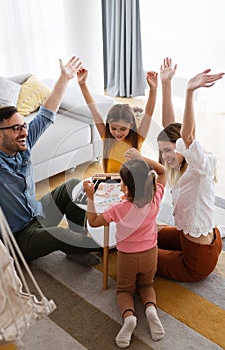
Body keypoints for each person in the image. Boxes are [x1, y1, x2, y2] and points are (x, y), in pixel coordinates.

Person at [0, 56, 101, 267]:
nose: (23, 132)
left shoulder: (23, 141)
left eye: (24, 125)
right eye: (16, 128)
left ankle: (76, 246)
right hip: (16, 241)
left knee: (73, 185)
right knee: (58, 234)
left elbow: (46, 114)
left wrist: (65, 77)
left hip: (36, 214)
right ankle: (105, 243)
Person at [83, 157, 166, 348]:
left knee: (124, 290)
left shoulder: (119, 209)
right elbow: (162, 171)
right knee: (147, 285)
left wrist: (90, 196)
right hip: (150, 254)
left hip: (127, 257)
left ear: (126, 188)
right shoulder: (155, 199)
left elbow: (94, 222)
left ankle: (129, 318)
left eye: (121, 181)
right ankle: (151, 311)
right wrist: (142, 159)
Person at [156, 57, 224, 281]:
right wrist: (165, 84)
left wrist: (188, 92)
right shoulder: (181, 161)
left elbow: (186, 135)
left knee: (138, 251)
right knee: (150, 231)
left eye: (168, 151)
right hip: (198, 239)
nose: (165, 157)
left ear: (183, 148)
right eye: (162, 151)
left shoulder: (199, 167)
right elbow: (171, 129)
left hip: (196, 261)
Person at [77, 66, 158, 173]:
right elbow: (94, 109)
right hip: (109, 184)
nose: (117, 133)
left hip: (130, 187)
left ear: (131, 126)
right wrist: (82, 84)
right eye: (113, 128)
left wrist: (153, 89)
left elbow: (148, 114)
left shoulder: (137, 138)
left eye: (123, 129)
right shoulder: (106, 136)